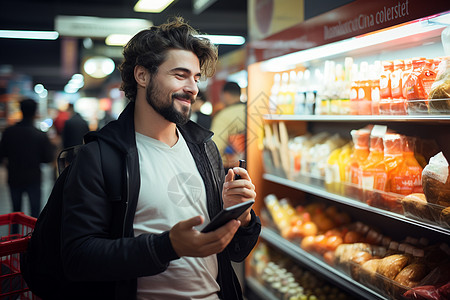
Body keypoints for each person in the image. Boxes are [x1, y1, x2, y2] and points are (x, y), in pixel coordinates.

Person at [59, 17, 260, 299]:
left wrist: (242, 217)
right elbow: (78, 259)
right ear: (142, 76)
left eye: (196, 77)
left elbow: (234, 252)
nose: (193, 88)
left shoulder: (205, 148)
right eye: (180, 75)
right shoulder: (100, 156)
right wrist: (167, 246)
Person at [0, 98, 55, 217]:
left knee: (15, 214)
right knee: (34, 215)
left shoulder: (9, 132)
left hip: (14, 176)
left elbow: (2, 154)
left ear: (21, 110)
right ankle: (33, 236)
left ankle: (15, 235)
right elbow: (48, 158)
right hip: (33, 177)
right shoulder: (40, 134)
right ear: (35, 112)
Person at [210, 81, 247, 168]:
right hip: (255, 167)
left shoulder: (224, 115)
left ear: (226, 95)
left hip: (233, 169)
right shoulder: (251, 110)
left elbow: (215, 150)